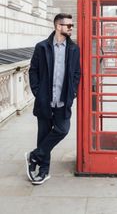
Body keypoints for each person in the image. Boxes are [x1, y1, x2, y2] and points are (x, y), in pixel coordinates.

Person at [25, 13, 81, 185]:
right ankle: (43, 171)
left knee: (62, 130)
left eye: (72, 25)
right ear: (58, 26)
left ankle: (34, 156)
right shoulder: (42, 47)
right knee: (43, 135)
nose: (71, 28)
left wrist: (72, 93)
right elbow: (33, 70)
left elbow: (77, 73)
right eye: (68, 25)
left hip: (63, 101)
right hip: (45, 100)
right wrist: (37, 92)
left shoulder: (73, 49)